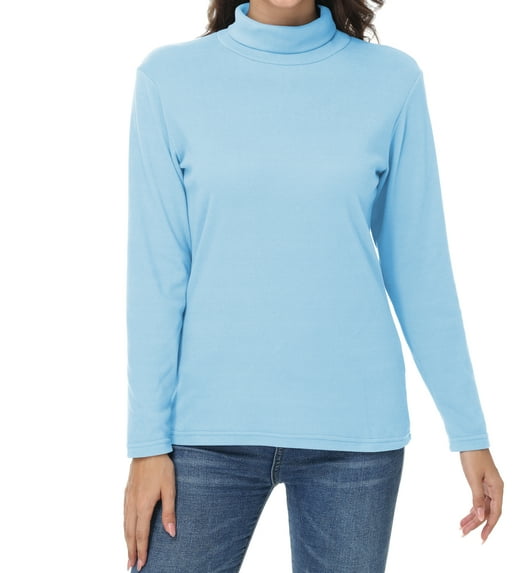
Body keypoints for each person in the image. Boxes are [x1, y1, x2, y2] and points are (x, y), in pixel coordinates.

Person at [123, 1, 504, 571]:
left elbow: (420, 269)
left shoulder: (392, 81)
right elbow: (156, 275)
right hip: (204, 436)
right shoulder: (169, 79)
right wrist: (147, 443)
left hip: (355, 437)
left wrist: (469, 432)